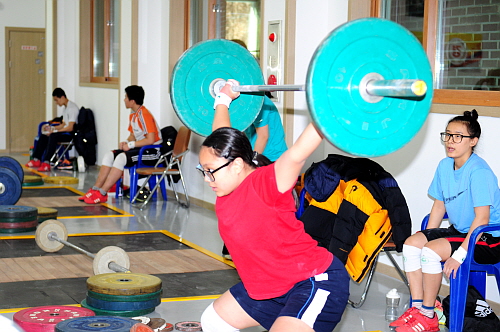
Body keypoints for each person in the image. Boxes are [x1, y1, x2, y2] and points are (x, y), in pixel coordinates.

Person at [198, 80, 349, 332]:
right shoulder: (225, 181)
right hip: (270, 289)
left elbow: (298, 153)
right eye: (203, 171)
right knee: (214, 321)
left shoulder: (266, 182)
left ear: (236, 165)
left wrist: (330, 106)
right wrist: (223, 99)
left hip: (313, 280)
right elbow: (221, 135)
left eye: (210, 172)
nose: (206, 179)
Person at [391, 110, 500, 332]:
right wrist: (425, 238)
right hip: (463, 231)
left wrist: (459, 255)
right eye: (448, 135)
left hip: (489, 237)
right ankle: (418, 308)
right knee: (411, 246)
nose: (451, 141)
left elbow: (482, 219)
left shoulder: (479, 172)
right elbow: (439, 206)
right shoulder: (444, 166)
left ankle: (428, 316)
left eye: (458, 136)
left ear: (473, 141)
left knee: (430, 252)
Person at [80, 85, 162, 204]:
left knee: (121, 158)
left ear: (132, 101)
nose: (124, 100)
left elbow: (150, 140)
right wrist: (126, 142)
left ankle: (103, 193)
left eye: (126, 97)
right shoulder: (133, 115)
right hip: (140, 149)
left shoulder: (145, 115)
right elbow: (133, 135)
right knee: (110, 155)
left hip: (152, 151)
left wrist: (131, 145)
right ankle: (95, 189)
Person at [25, 88, 79, 172]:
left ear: (62, 97)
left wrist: (55, 132)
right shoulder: (65, 108)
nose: (56, 103)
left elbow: (70, 127)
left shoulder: (72, 108)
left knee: (53, 136)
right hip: (64, 132)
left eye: (57, 100)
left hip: (70, 135)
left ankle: (47, 162)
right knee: (44, 135)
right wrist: (52, 129)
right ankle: (36, 159)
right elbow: (64, 124)